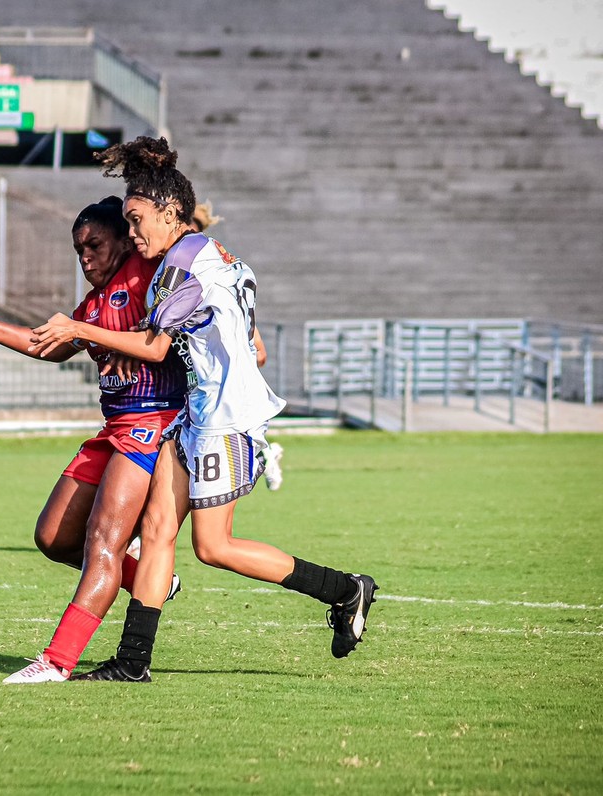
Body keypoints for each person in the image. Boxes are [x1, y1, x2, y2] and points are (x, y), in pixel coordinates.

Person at [29, 137, 377, 682]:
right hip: (198, 416)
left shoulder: (180, 267)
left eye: (138, 220)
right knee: (158, 526)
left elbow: (154, 348)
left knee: (213, 546)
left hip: (224, 424)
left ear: (171, 214)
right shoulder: (214, 257)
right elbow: (254, 348)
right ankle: (131, 662)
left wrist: (80, 328)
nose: (134, 233)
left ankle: (345, 589)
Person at [0, 196, 189, 683]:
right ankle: (149, 579)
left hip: (151, 426)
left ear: (125, 238)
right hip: (114, 428)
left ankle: (57, 662)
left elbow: (170, 318)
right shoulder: (93, 304)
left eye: (95, 244)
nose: (86, 257)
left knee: (103, 544)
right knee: (53, 536)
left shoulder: (145, 273)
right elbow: (45, 344)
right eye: (79, 250)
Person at [192, 199, 282, 491]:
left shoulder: (216, 282)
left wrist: (226, 362)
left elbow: (260, 352)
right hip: (201, 400)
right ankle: (265, 453)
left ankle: (263, 454)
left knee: (212, 533)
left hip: (223, 404)